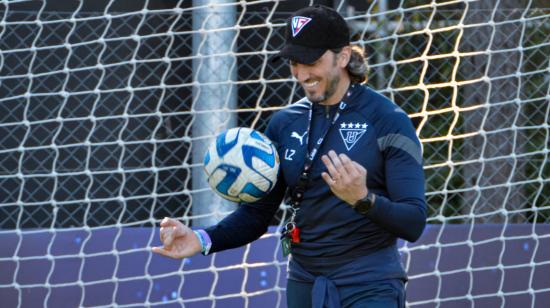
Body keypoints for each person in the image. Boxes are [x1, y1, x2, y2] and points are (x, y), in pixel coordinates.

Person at [152, 4, 427, 308]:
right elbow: (258, 214)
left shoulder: (387, 119)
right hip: (304, 283)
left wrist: (363, 199)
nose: (301, 72)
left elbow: (413, 221)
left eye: (312, 60)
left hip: (368, 285)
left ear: (344, 56)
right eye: (295, 61)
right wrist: (202, 239)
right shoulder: (284, 124)